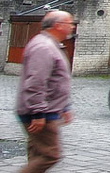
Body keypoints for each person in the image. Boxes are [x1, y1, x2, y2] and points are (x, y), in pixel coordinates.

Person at [15, 10, 75, 173]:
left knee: (37, 153)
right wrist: (38, 113)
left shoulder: (51, 45)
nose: (72, 27)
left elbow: (55, 81)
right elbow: (36, 82)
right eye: (70, 24)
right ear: (58, 26)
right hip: (42, 112)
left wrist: (65, 106)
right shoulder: (44, 47)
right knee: (50, 155)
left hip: (47, 109)